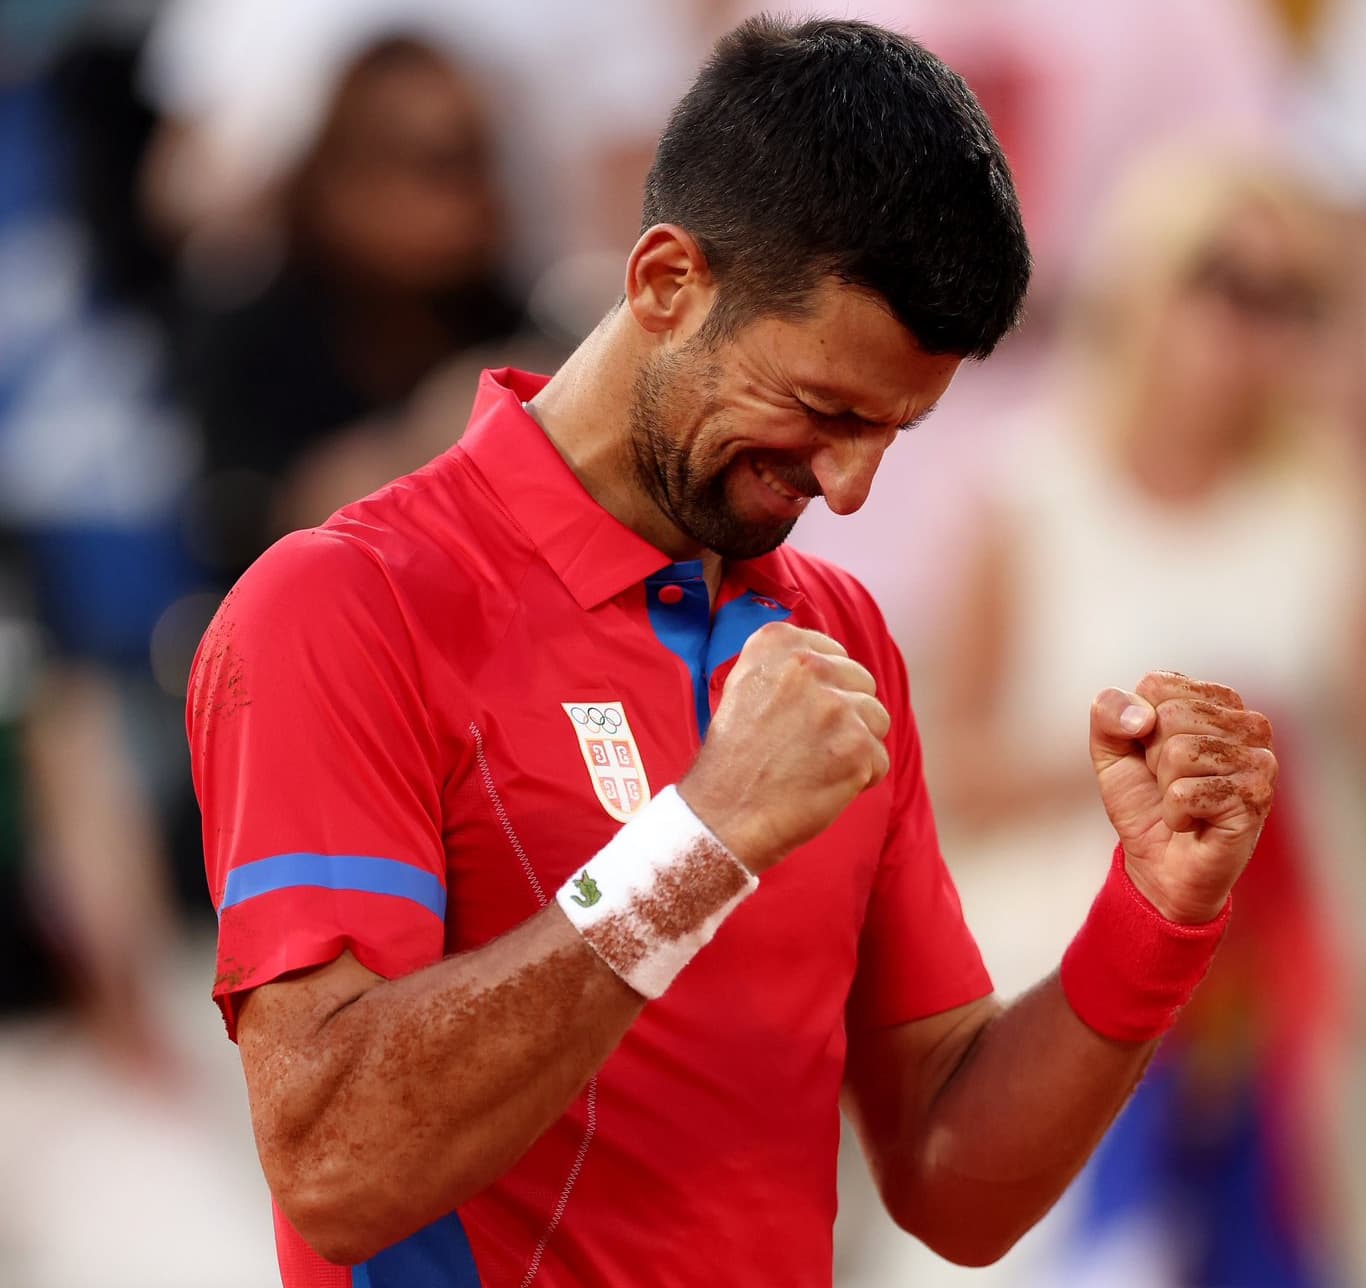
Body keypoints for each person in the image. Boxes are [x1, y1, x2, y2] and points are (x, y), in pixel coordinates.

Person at [187, 18, 1279, 1286]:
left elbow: (947, 1175)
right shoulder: (344, 606)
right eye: (822, 410)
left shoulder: (838, 636)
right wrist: (696, 841)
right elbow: (335, 1165)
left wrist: (1153, 911)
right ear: (664, 281)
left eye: (893, 431)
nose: (851, 487)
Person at [927, 149, 1361, 1287]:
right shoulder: (1032, 487)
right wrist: (1146, 758)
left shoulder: (1323, 504)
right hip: (1059, 971)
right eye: (1226, 280)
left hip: (1268, 1016)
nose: (1252, 325)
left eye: (1288, 299)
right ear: (1148, 283)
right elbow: (947, 767)